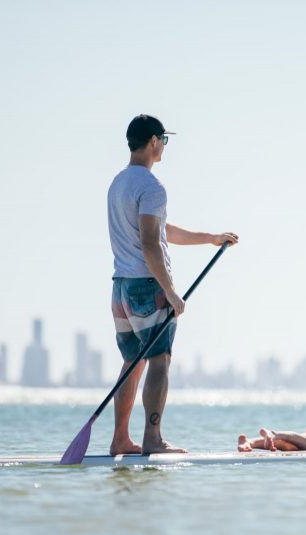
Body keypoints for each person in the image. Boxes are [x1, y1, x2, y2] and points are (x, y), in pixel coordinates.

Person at [108, 114, 238, 455]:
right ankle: (153, 439)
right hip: (146, 286)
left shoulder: (119, 184)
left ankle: (120, 439)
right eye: (163, 139)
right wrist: (170, 292)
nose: (164, 146)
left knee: (131, 363)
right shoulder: (151, 186)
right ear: (152, 141)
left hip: (120, 288)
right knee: (160, 359)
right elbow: (151, 244)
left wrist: (210, 238)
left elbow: (161, 231)